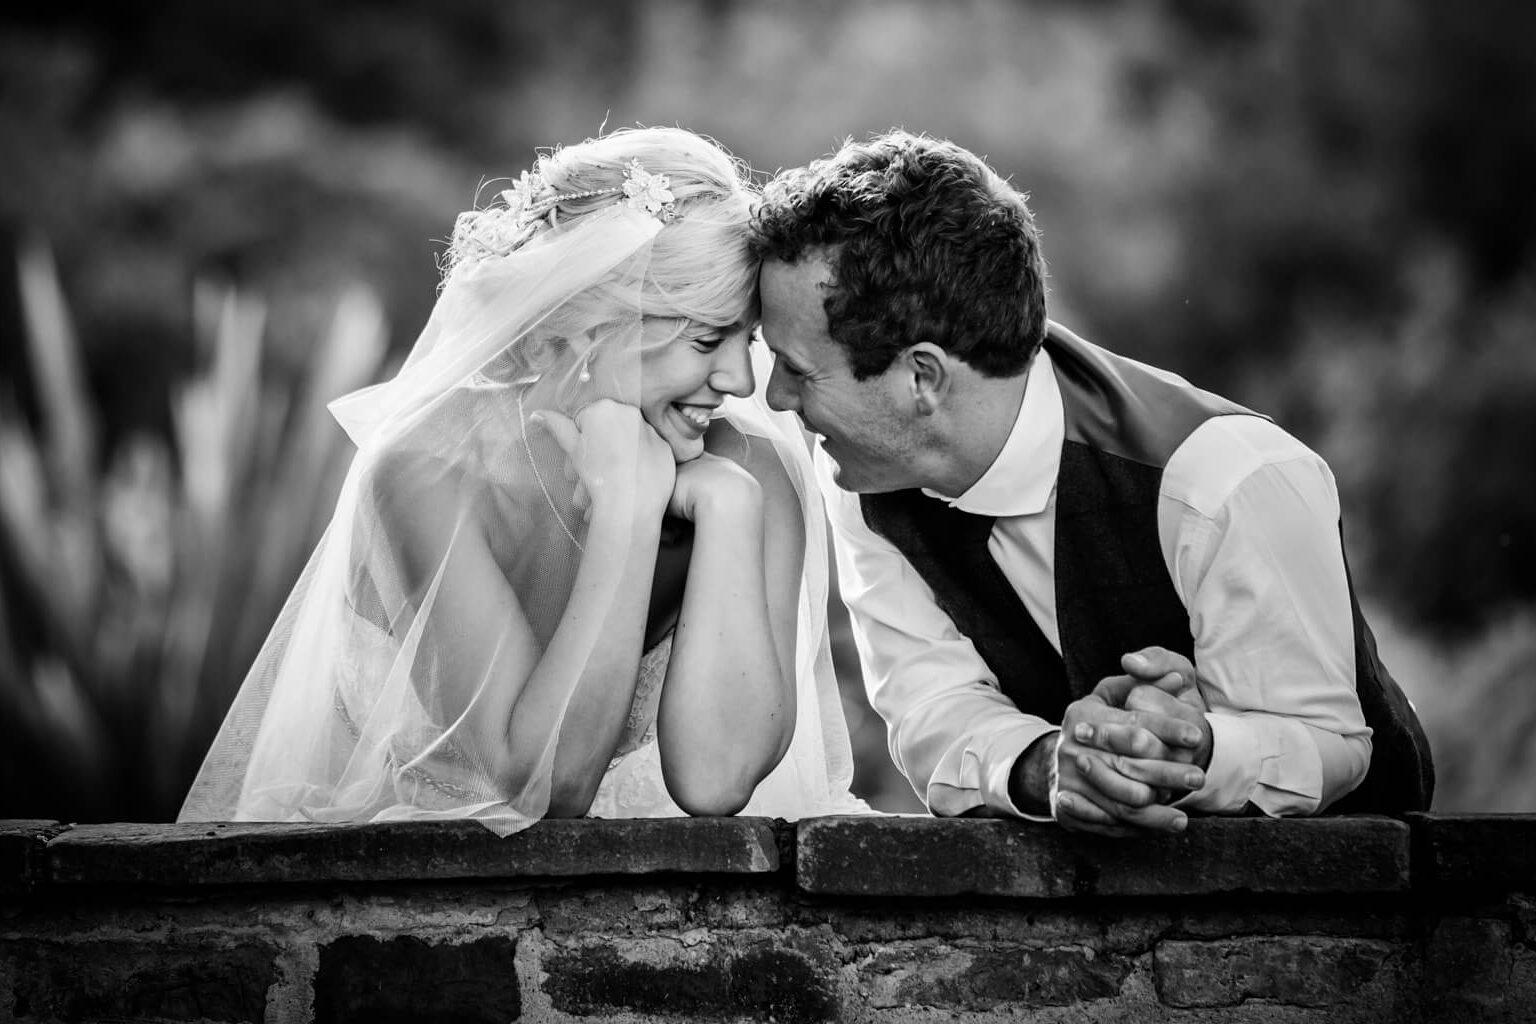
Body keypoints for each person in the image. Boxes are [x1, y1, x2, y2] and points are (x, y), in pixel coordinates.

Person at [179, 127, 866, 834]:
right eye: (704, 339)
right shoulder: (426, 475)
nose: (740, 380)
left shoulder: (749, 474)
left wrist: (727, 508)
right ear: (585, 323)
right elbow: (546, 785)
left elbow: (717, 781)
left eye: (744, 338)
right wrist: (627, 512)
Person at [750, 129, 1433, 836]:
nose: (773, 398)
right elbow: (930, 712)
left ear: (923, 377)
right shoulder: (866, 478)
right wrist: (1048, 765)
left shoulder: (1224, 479)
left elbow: (1334, 745)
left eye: (797, 370)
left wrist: (1193, 747)